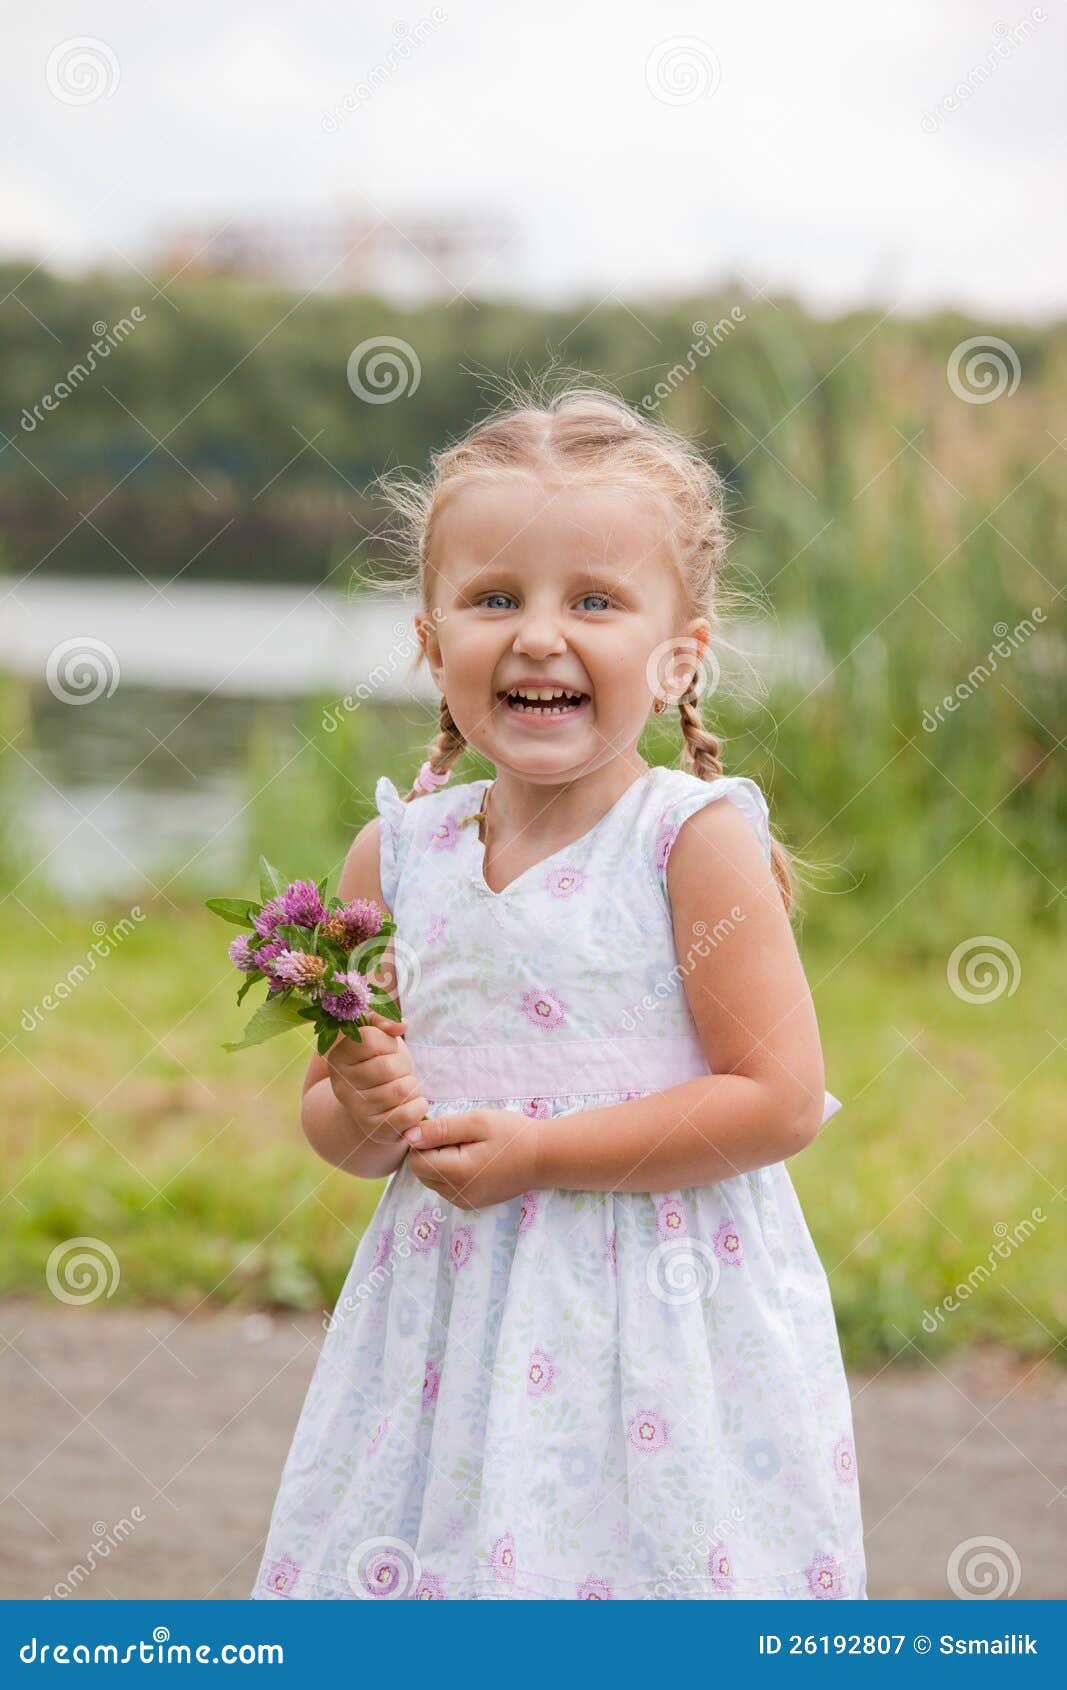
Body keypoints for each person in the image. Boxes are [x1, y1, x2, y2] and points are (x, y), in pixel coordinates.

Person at [250, 380, 866, 1601]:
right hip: (444, 1322)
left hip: (656, 1317)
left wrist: (542, 1153)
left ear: (678, 653)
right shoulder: (396, 857)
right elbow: (336, 1116)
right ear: (432, 644)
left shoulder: (686, 842)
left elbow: (779, 1100)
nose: (537, 636)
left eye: (593, 600)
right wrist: (367, 1112)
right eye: (492, 600)